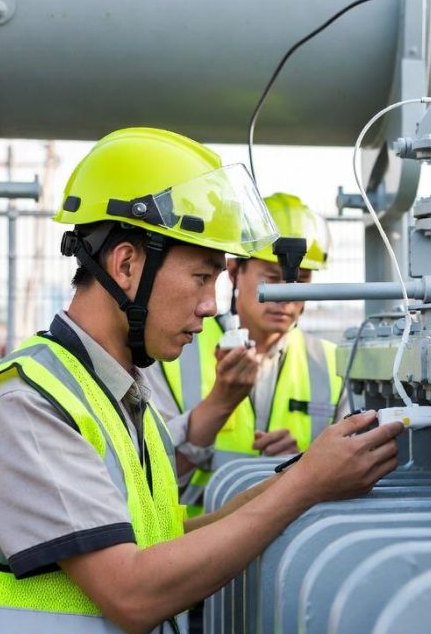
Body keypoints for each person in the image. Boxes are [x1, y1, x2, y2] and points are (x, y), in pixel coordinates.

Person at [0, 127, 402, 634]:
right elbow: (132, 593)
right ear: (126, 265)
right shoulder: (24, 404)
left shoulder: (117, 393)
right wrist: (306, 485)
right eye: (200, 277)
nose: (210, 305)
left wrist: (304, 474)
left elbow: (168, 539)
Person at [146, 193, 343, 516]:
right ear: (236, 271)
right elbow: (146, 480)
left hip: (297, 553)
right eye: (273, 279)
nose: (285, 297)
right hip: (192, 547)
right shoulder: (171, 351)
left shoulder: (334, 365)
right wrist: (219, 404)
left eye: (300, 281)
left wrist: (303, 463)